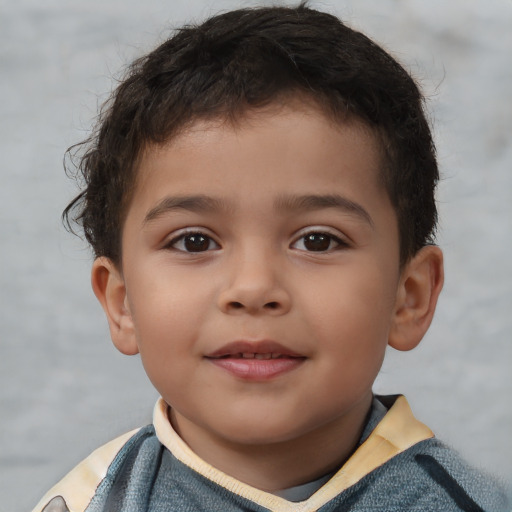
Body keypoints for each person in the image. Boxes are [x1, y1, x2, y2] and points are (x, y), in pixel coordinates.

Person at [32, 4, 508, 511]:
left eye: (318, 241)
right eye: (194, 242)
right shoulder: (88, 502)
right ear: (122, 302)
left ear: (407, 297)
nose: (254, 288)